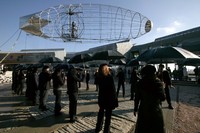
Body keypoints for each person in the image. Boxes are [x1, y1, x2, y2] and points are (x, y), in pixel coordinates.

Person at [134, 65, 166, 133]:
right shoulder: (158, 83)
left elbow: (137, 98)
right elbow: (163, 98)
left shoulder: (139, 83)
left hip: (144, 109)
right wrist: (163, 88)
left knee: (143, 128)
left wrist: (135, 109)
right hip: (156, 110)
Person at [95, 64, 118, 133]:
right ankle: (106, 130)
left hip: (101, 98)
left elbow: (96, 83)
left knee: (101, 113)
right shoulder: (109, 77)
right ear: (105, 69)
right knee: (108, 116)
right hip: (109, 99)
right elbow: (113, 90)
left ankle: (98, 128)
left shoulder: (99, 77)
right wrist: (115, 100)